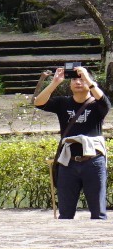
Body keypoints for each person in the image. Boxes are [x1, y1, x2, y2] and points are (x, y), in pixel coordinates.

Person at [35, 63, 108, 220]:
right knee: (65, 214)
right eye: (74, 79)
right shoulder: (63, 103)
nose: (78, 82)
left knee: (99, 214)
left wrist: (88, 79)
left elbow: (105, 102)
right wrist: (55, 82)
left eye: (81, 79)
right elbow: (38, 103)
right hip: (68, 162)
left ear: (89, 82)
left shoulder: (97, 105)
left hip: (93, 161)